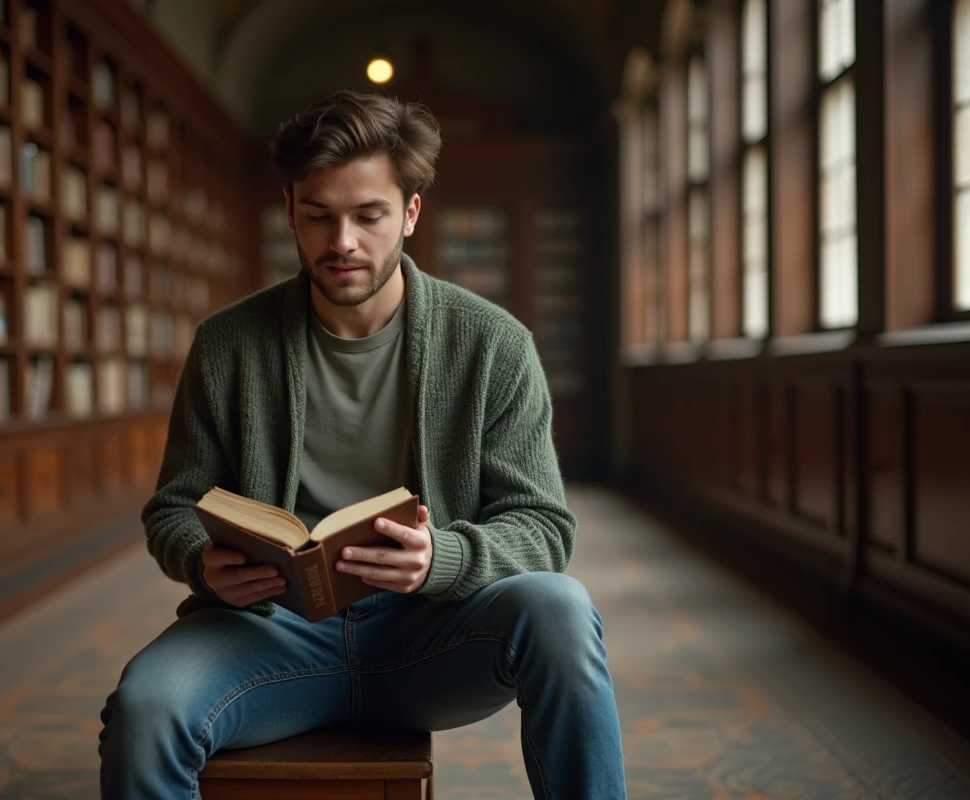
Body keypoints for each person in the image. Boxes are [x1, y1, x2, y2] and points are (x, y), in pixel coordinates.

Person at [98, 89, 627, 800]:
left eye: (368, 215)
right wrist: (200, 558)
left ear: (410, 213)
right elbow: (173, 508)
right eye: (318, 215)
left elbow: (543, 529)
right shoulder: (227, 344)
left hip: (434, 635)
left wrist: (447, 557)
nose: (341, 241)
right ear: (289, 210)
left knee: (561, 609)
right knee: (143, 708)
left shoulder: (494, 345)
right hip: (270, 636)